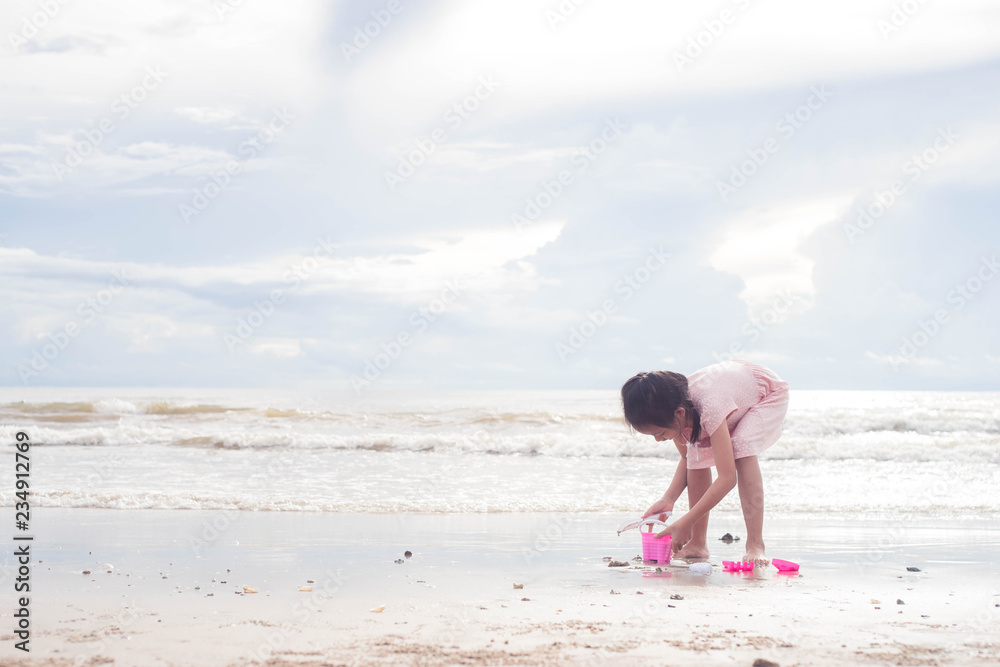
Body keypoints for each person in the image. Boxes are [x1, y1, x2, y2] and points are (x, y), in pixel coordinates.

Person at [620, 359, 789, 564]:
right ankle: (697, 543)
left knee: (741, 447)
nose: (658, 440)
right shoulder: (673, 408)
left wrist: (687, 521)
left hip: (765, 394)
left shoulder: (710, 406)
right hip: (729, 392)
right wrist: (668, 499)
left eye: (660, 433)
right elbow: (687, 458)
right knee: (696, 452)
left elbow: (727, 478)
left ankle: (755, 544)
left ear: (680, 413)